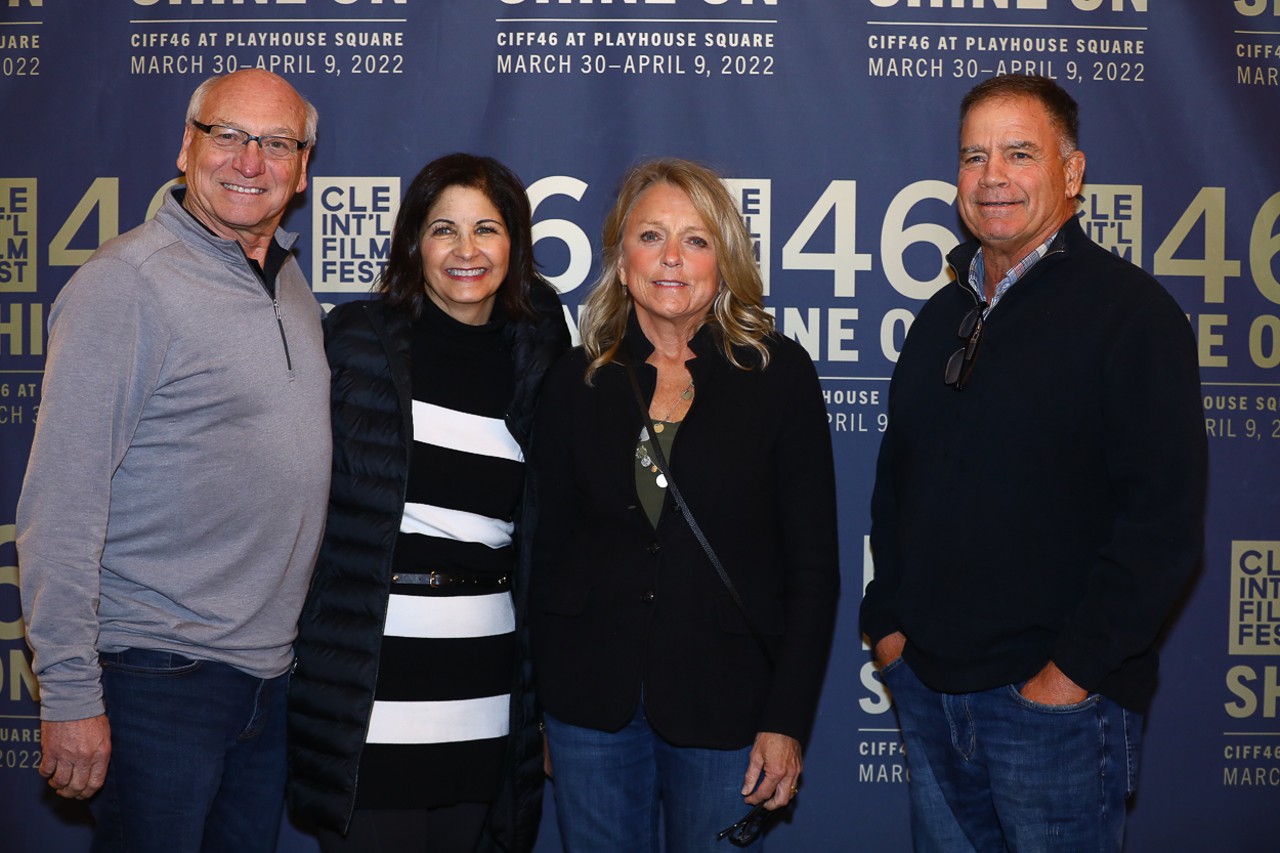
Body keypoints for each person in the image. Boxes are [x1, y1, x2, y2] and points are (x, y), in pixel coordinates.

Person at [861, 74, 1208, 852]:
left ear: (1072, 173)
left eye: (1020, 153)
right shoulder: (941, 316)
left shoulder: (1132, 316)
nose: (993, 177)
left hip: (1052, 711)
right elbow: (897, 487)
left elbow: (1163, 525)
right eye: (974, 155)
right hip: (930, 693)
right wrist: (888, 631)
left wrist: (1066, 679)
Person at [16, 69, 329, 852]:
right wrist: (69, 692)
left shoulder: (290, 284)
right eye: (228, 136)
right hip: (155, 676)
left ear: (302, 165)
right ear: (187, 146)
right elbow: (60, 504)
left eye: (275, 143)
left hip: (265, 678)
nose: (248, 162)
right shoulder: (125, 283)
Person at [529, 158, 840, 852]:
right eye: (651, 236)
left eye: (696, 240)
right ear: (621, 257)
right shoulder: (577, 380)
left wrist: (786, 718)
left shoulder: (779, 376)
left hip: (728, 706)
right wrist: (541, 707)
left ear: (724, 261)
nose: (672, 258)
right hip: (590, 705)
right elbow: (544, 554)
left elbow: (813, 570)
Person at [286, 153, 570, 853]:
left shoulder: (539, 349)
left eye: (487, 229)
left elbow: (549, 528)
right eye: (444, 229)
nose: (467, 250)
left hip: (484, 683)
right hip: (372, 684)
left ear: (516, 243)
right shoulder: (357, 339)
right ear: (414, 242)